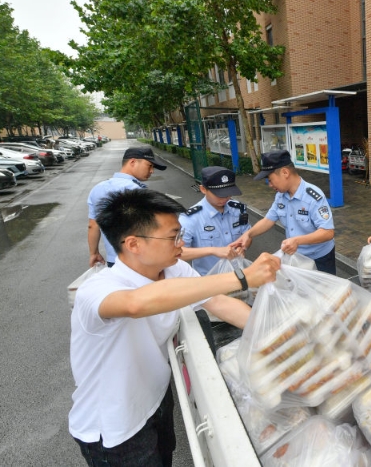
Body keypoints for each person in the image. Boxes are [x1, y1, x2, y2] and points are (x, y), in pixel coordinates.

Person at [69, 188, 280, 466]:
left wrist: (278, 335)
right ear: (133, 244)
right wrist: (242, 278)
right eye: (173, 237)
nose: (181, 244)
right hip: (115, 427)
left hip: (156, 397)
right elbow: (135, 304)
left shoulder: (173, 269)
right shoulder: (97, 290)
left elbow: (217, 302)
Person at [230, 150, 337, 274]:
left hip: (319, 258)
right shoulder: (281, 196)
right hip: (296, 257)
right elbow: (268, 220)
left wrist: (297, 240)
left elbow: (327, 232)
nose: (269, 185)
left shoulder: (313, 197)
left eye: (270, 179)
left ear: (285, 172)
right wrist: (248, 234)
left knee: (324, 286)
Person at [87, 146, 167, 267]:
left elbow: (93, 225)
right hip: (140, 260)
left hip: (113, 260)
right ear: (133, 162)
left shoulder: (98, 188)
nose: (152, 171)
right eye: (149, 165)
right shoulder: (136, 191)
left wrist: (94, 253)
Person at [178, 166, 250, 275]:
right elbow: (178, 253)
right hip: (208, 279)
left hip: (238, 274)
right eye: (219, 194)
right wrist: (213, 251)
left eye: (228, 193)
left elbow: (248, 234)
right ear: (203, 189)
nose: (225, 198)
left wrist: (243, 247)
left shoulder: (237, 209)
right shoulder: (190, 218)